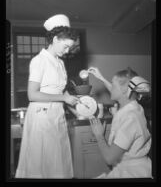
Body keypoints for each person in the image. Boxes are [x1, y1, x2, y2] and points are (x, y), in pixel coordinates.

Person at [15, 14, 79, 178]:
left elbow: (60, 92)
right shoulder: (39, 60)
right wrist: (64, 99)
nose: (67, 51)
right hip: (41, 117)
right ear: (55, 39)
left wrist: (76, 108)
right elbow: (32, 94)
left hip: (56, 115)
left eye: (69, 49)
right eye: (65, 47)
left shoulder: (59, 62)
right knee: (41, 164)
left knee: (57, 162)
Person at [88, 67, 152, 178]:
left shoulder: (130, 118)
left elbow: (109, 158)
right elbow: (121, 94)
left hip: (132, 173)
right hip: (134, 168)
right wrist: (101, 78)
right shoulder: (134, 106)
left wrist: (99, 135)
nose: (111, 87)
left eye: (113, 85)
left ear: (124, 90)